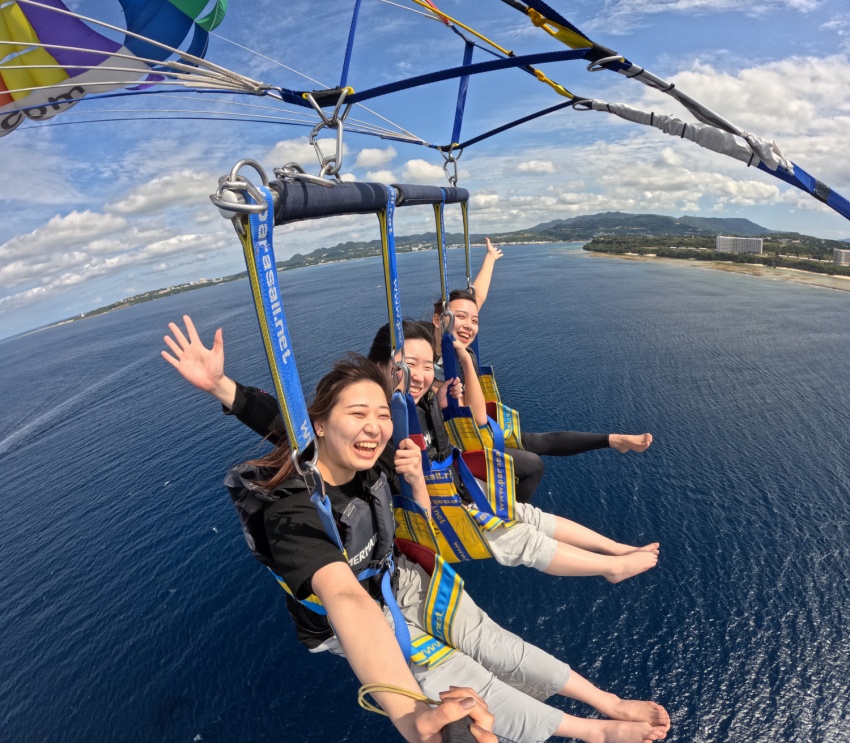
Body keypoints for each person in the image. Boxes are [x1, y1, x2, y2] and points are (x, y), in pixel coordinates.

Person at [162, 326, 671, 743]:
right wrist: (408, 714)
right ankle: (593, 733)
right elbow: (345, 598)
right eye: (357, 414)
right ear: (315, 426)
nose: (374, 427)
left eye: (382, 414)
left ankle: (607, 701)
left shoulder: (376, 455)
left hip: (399, 576)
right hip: (356, 617)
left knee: (494, 642)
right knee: (467, 681)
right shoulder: (294, 511)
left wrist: (413, 482)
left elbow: (293, 418)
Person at [163, 316, 658, 583]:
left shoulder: (421, 403)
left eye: (425, 366)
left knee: (527, 517)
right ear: (381, 363)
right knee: (516, 538)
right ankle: (611, 566)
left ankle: (614, 549)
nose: (419, 376)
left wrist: (456, 354)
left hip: (446, 501)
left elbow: (454, 340)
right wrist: (222, 386)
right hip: (413, 524)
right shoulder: (367, 420)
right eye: (407, 364)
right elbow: (286, 423)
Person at [433, 264, 652, 504]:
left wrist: (491, 258)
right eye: (460, 317)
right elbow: (476, 419)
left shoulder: (458, 343)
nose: (469, 325)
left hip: (475, 432)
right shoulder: (425, 360)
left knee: (537, 441)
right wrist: (463, 361)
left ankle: (614, 440)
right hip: (457, 444)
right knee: (533, 464)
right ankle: (516, 515)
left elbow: (478, 296)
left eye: (474, 320)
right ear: (438, 320)